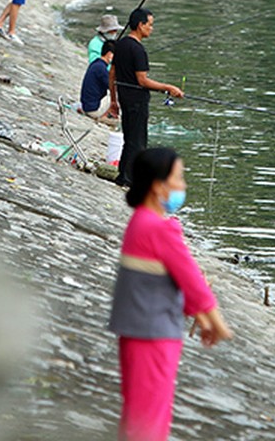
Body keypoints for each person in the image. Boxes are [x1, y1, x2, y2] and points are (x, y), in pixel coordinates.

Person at [109, 147, 232, 441]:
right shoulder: (160, 229)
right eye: (179, 178)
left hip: (136, 329)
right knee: (150, 417)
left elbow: (166, 278)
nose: (183, 186)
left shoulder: (139, 222)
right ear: (158, 185)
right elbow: (191, 280)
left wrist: (201, 320)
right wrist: (218, 324)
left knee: (138, 411)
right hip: (154, 333)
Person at [109, 8, 184, 188]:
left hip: (125, 99)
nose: (152, 29)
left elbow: (112, 74)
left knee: (130, 138)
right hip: (137, 101)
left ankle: (123, 176)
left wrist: (113, 100)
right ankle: (131, 180)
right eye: (150, 25)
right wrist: (168, 87)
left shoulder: (120, 45)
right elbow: (142, 81)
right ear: (140, 25)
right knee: (138, 141)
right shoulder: (138, 50)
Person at [79, 40, 115, 120]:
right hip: (93, 109)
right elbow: (112, 87)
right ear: (109, 54)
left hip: (86, 105)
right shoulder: (101, 68)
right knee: (115, 93)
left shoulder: (96, 64)